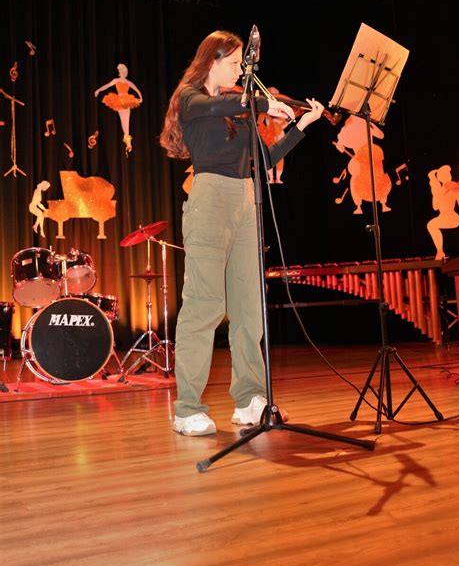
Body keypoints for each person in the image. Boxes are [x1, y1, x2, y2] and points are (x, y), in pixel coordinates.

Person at [160, 30, 324, 436]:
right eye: (235, 64)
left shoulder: (238, 110)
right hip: (210, 199)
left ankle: (251, 398)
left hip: (246, 200)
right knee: (204, 305)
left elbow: (264, 159)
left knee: (250, 308)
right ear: (212, 62)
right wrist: (267, 101)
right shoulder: (192, 99)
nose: (242, 72)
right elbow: (223, 102)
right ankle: (186, 408)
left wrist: (300, 123)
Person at [94, 63, 143, 155]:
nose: (120, 72)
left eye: (122, 70)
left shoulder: (128, 82)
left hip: (127, 100)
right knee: (123, 119)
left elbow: (136, 88)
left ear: (125, 71)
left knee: (126, 120)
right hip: (120, 100)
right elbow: (107, 85)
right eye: (119, 70)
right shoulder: (116, 80)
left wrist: (141, 97)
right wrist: (99, 90)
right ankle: (126, 138)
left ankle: (127, 138)